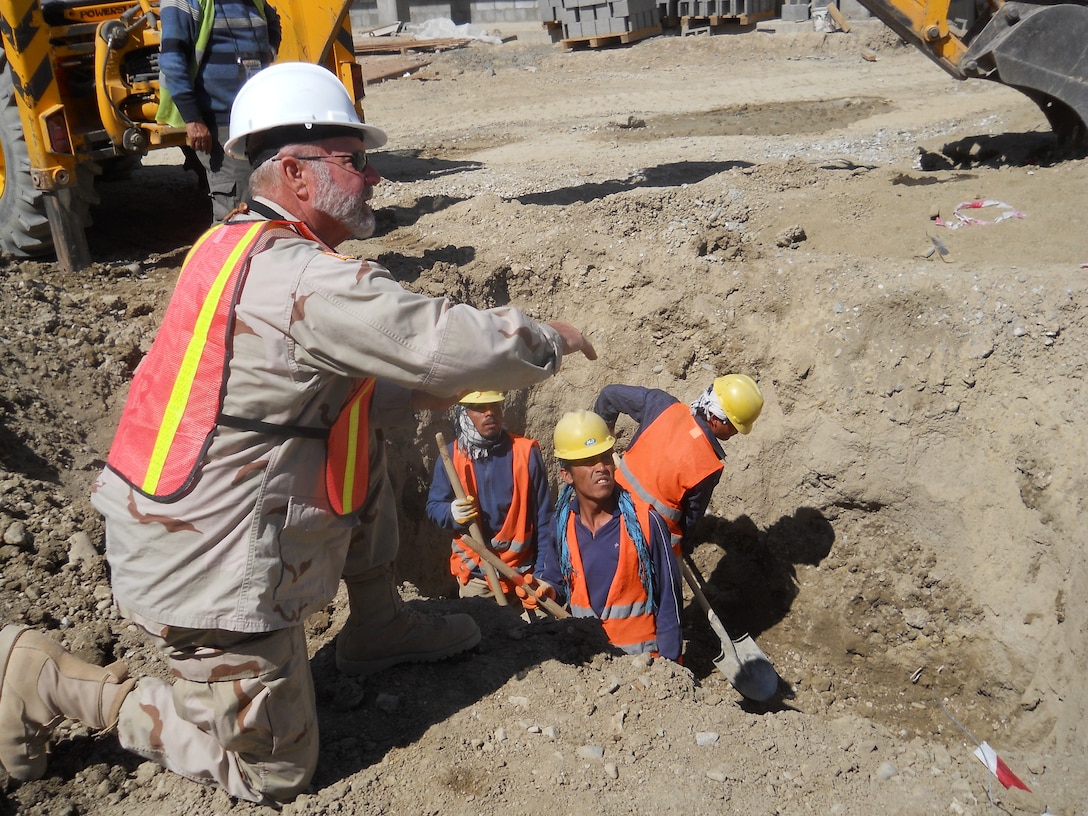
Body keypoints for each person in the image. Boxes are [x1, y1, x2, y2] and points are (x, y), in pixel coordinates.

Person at [0, 62, 595, 805]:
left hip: (189, 513)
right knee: (276, 773)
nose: (374, 177)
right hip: (208, 570)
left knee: (359, 426)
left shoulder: (230, 244)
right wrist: (549, 338)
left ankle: (377, 626)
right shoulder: (304, 280)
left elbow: (353, 388)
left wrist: (415, 389)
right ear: (295, 173)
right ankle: (62, 686)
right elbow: (448, 339)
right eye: (355, 160)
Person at [535, 411, 682, 662]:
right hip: (590, 665)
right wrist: (545, 592)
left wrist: (671, 669)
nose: (601, 467)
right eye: (588, 461)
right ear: (566, 475)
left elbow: (670, 601)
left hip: (643, 668)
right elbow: (557, 584)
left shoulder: (646, 523)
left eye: (604, 458)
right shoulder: (561, 526)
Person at [593, 375, 763, 556]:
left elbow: (609, 395)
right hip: (650, 547)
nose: (736, 432)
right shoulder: (708, 468)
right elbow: (689, 522)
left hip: (607, 510)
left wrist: (603, 445)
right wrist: (684, 549)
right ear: (715, 418)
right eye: (734, 426)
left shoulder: (661, 405)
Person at [426, 391, 557, 611]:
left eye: (495, 406)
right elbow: (433, 506)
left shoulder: (525, 453)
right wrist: (452, 514)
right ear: (464, 415)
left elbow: (545, 518)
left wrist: (542, 575)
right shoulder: (451, 456)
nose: (490, 413)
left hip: (524, 575)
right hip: (477, 574)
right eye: (480, 408)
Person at [157, 0, 281, 221]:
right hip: (219, 121)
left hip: (256, 115)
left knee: (263, 198)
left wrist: (266, 53)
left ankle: (258, 252)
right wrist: (193, 119)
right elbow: (172, 60)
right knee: (236, 208)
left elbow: (274, 23)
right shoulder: (184, 2)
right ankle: (227, 254)